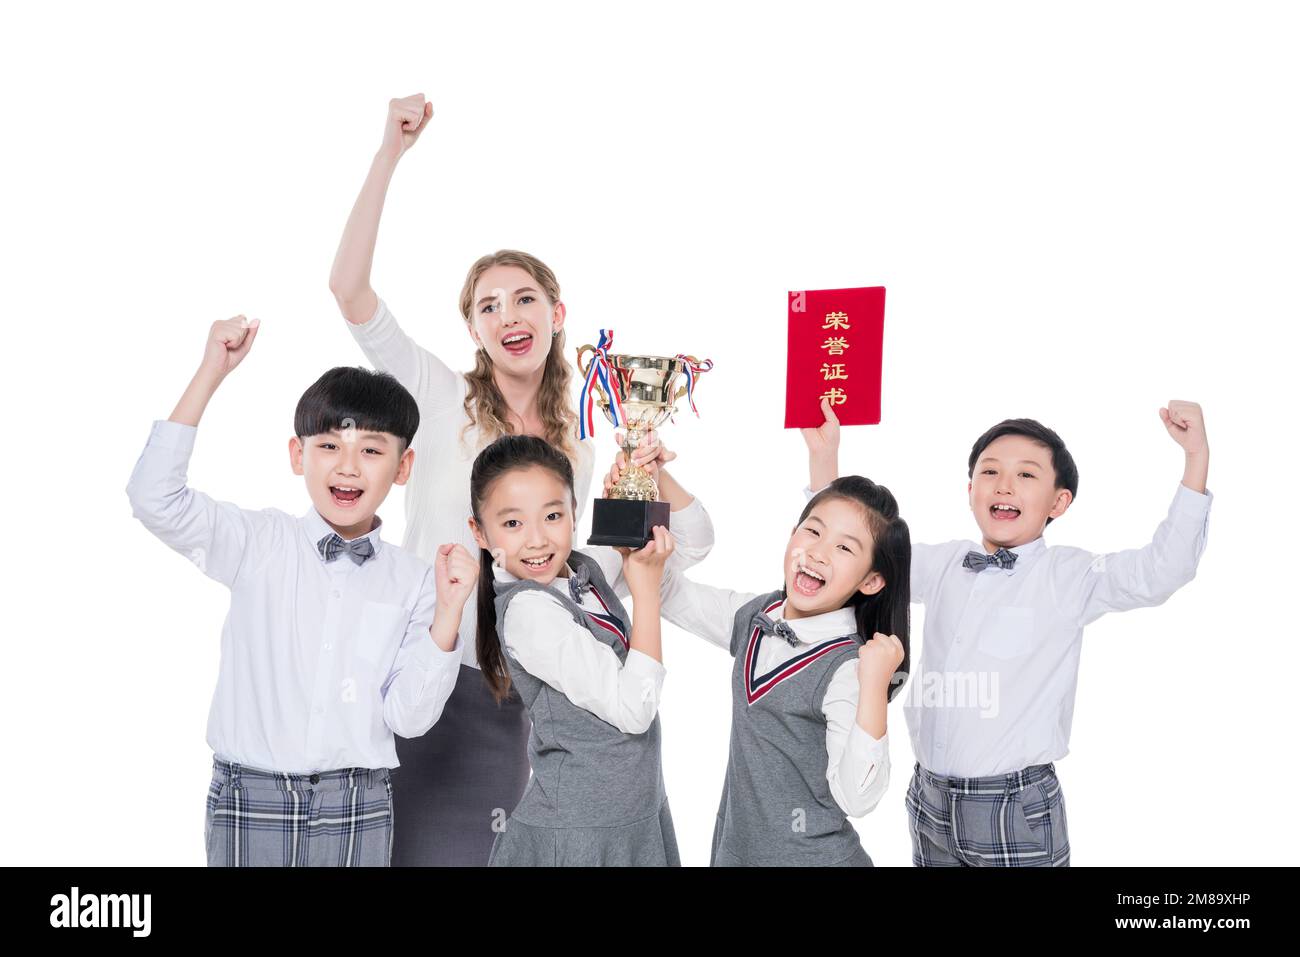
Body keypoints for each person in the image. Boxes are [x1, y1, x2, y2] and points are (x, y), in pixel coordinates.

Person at [327, 93, 715, 864]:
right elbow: (350, 292)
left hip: (527, 688)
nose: (511, 313)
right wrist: (388, 156)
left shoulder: (585, 447)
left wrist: (656, 468)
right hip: (435, 670)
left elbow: (637, 558)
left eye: (526, 297)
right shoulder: (439, 398)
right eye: (489, 305)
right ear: (474, 329)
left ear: (557, 312)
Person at [125, 315, 474, 866]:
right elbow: (154, 498)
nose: (348, 467)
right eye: (330, 445)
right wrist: (211, 371)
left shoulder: (415, 581)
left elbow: (410, 718)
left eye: (372, 450)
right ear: (297, 455)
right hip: (251, 794)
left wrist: (449, 614)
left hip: (359, 800)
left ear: (404, 467)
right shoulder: (259, 543)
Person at [805, 396, 1213, 866]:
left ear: (1059, 501)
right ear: (970, 489)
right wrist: (824, 459)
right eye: (990, 471)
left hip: (1014, 806)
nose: (1004, 485)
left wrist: (1195, 457)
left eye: (1026, 475)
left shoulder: (1069, 576)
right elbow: (857, 558)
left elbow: (1161, 570)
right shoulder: (944, 563)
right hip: (928, 798)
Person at [657, 474, 911, 865]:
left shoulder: (848, 669)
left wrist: (874, 686)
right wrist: (653, 476)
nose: (819, 553)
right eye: (813, 532)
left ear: (872, 580)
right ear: (792, 534)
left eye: (845, 547)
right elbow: (669, 592)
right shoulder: (756, 616)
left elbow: (858, 798)